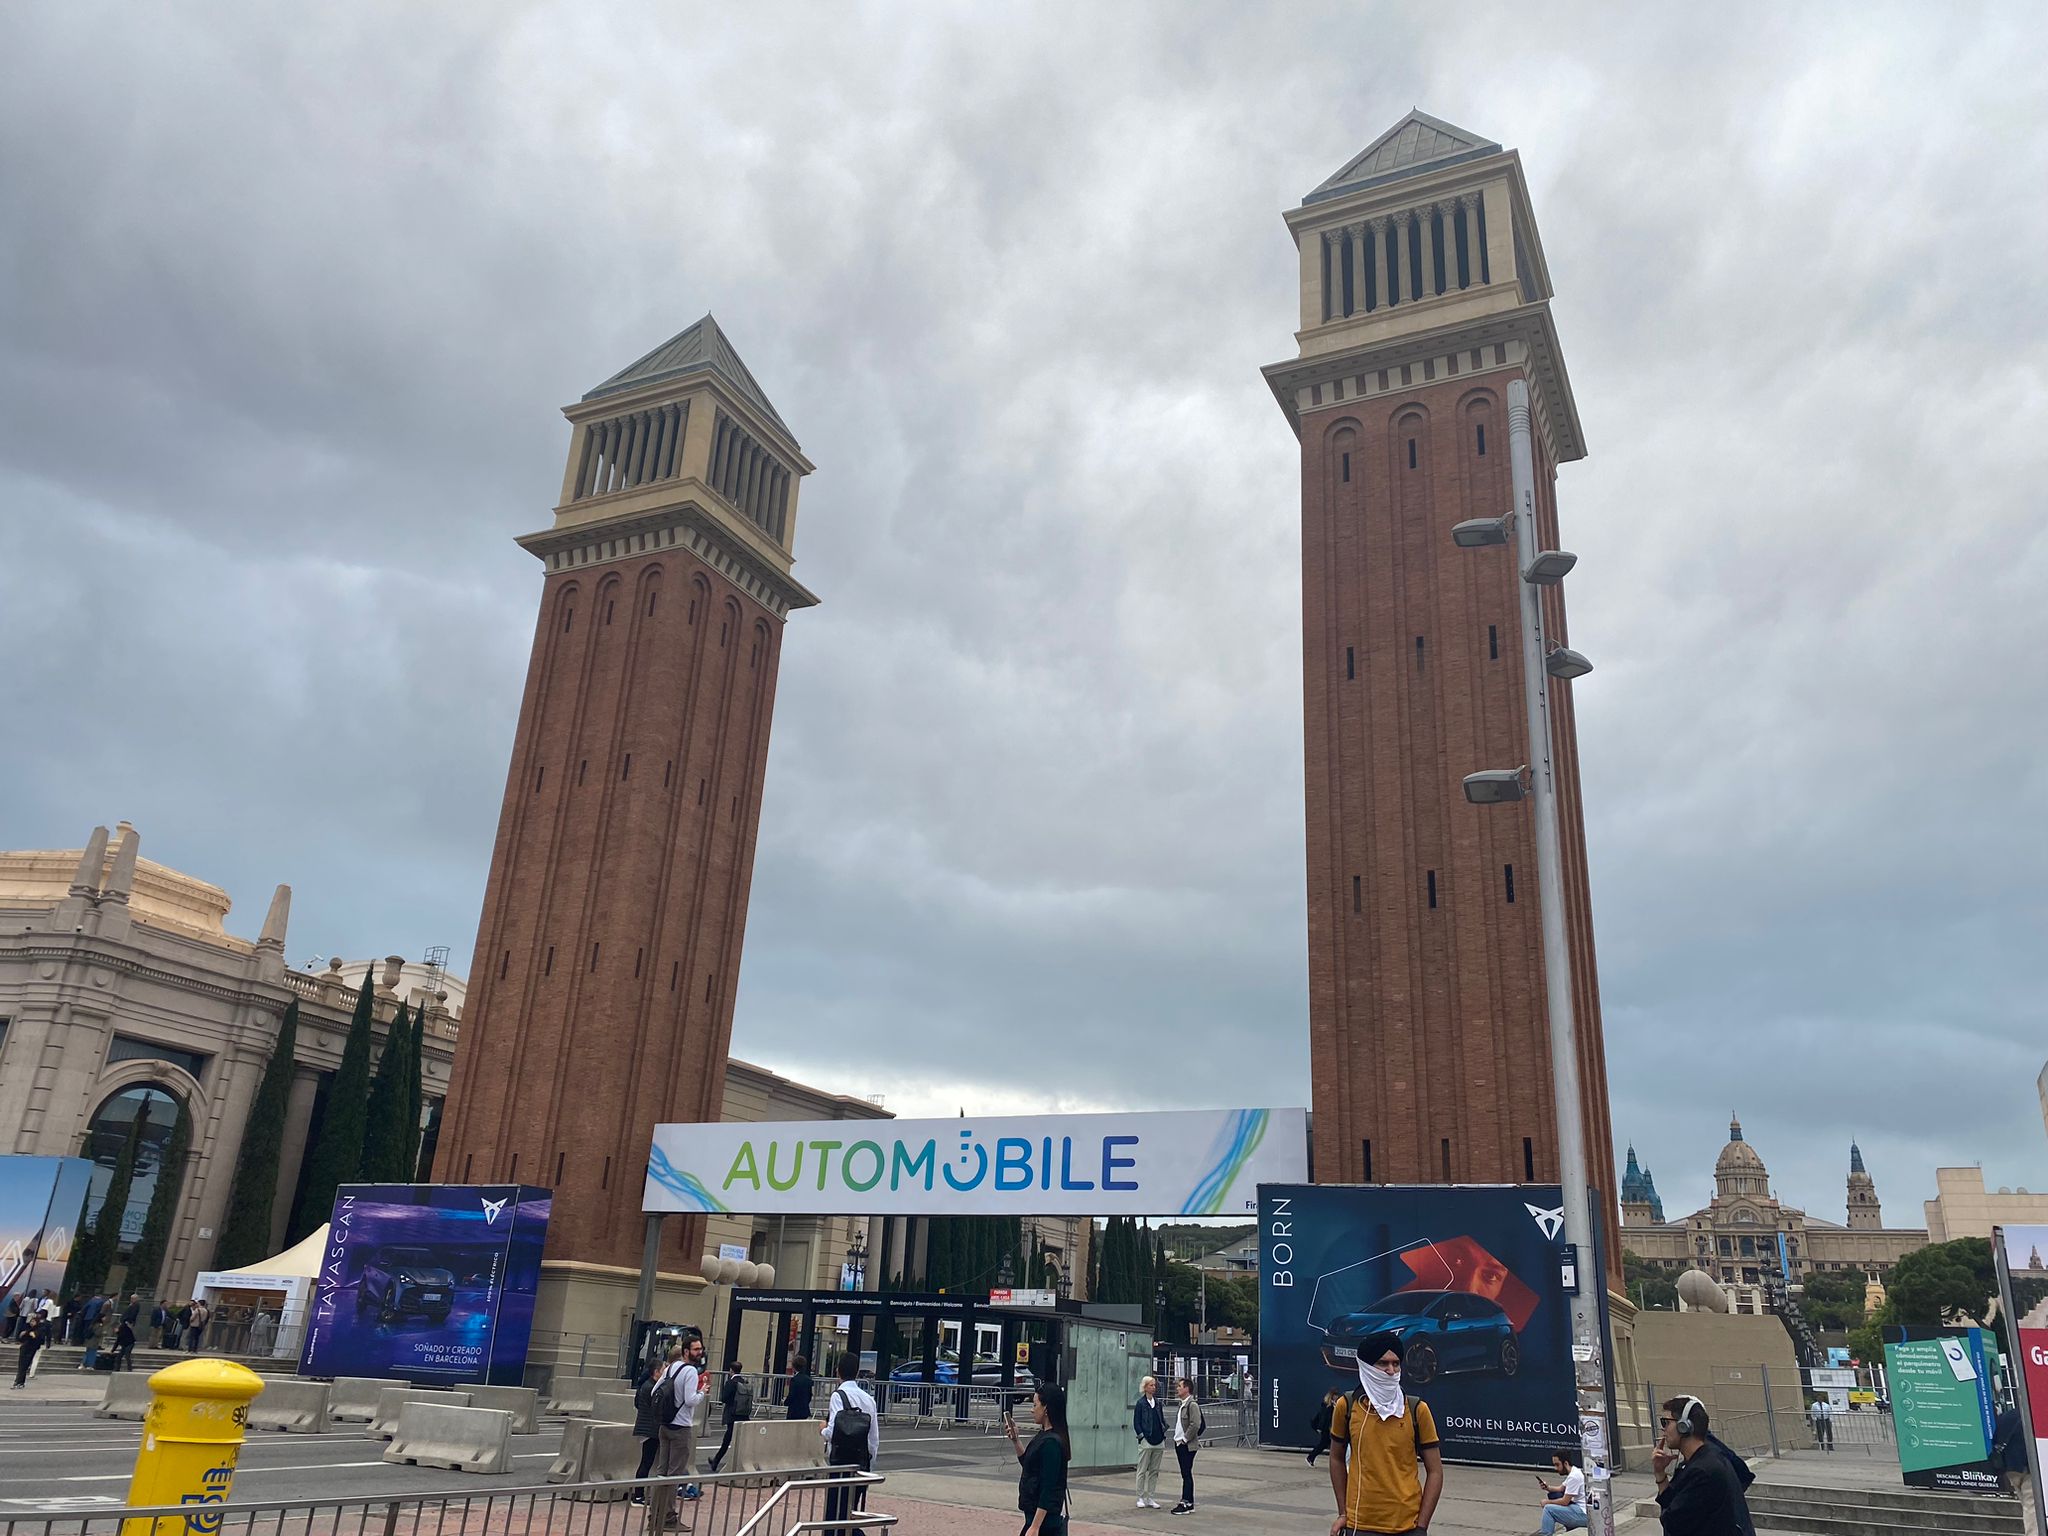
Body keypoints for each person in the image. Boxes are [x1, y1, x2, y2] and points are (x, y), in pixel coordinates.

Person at [1325, 1330, 1444, 1536]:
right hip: (1360, 1525)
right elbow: (1336, 1458)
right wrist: (1343, 1513)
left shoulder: (1417, 1410)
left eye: (1396, 1364)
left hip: (1406, 1526)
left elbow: (1435, 1471)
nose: (1391, 1370)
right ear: (1366, 1366)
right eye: (1383, 1363)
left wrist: (1421, 1526)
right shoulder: (1347, 1406)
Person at [1654, 1395, 1754, 1536]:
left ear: (1684, 1426)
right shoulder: (1702, 1460)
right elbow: (1670, 1503)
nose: (1662, 1429)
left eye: (1666, 1422)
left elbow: (1672, 1523)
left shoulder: (1702, 1471)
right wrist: (1660, 1473)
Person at [652, 1335, 707, 1529]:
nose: (700, 1352)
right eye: (696, 1349)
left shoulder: (671, 1368)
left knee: (661, 1473)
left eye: (700, 1349)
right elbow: (691, 1400)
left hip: (665, 1425)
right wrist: (702, 1392)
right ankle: (668, 1518)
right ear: (686, 1351)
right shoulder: (690, 1371)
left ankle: (654, 1516)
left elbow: (654, 1391)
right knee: (674, 1475)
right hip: (681, 1427)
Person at [822, 1353, 879, 1534]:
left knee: (834, 1515)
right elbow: (873, 1439)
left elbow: (833, 1431)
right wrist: (869, 1465)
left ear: (837, 1371)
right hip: (861, 1462)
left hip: (841, 1462)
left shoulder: (838, 1396)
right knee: (849, 1513)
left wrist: (822, 1430)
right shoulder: (868, 1399)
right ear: (857, 1372)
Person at [1005, 1382, 1070, 1536]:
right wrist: (1016, 1440)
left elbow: (1048, 1487)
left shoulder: (1052, 1443)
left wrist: (1035, 1526)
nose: (1032, 1409)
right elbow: (1029, 1465)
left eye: (1035, 1405)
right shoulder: (1044, 1436)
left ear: (1046, 1408)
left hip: (1044, 1523)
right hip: (1036, 1519)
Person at [1994, 1404, 2038, 1536]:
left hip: (2011, 1468)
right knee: (2033, 1506)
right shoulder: (2034, 1417)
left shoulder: (2007, 1417)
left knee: (2027, 1503)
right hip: (2029, 1468)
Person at [707, 1355, 754, 1472]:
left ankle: (716, 1462)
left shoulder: (731, 1383)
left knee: (727, 1440)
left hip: (732, 1415)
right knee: (740, 1441)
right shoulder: (745, 1382)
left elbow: (724, 1398)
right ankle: (716, 1460)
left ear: (731, 1370)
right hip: (744, 1415)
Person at [629, 1358, 663, 1505]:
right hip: (650, 1429)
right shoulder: (651, 1388)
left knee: (646, 1461)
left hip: (645, 1427)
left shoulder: (645, 1385)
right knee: (646, 1462)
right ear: (656, 1372)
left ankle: (639, 1494)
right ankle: (638, 1495)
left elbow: (638, 1404)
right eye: (662, 1371)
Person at [1133, 1373, 1167, 1508]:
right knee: (1142, 1470)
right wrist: (1141, 1437)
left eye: (1154, 1385)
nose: (1154, 1387)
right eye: (1151, 1385)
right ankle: (1140, 1496)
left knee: (1154, 1470)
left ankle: (1151, 1497)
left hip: (1158, 1439)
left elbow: (1161, 1418)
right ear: (1145, 1387)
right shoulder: (1140, 1404)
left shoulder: (1158, 1403)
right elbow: (1136, 1422)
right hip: (1146, 1440)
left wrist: (1163, 1432)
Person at [1170, 1376, 1204, 1515]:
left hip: (1186, 1445)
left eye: (1180, 1386)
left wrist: (1185, 1439)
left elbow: (1195, 1424)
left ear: (1187, 1389)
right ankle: (1189, 1502)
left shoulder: (1192, 1405)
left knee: (1186, 1473)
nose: (1177, 1388)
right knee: (1185, 1473)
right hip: (1179, 1443)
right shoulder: (1183, 1404)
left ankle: (1185, 1502)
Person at [1536, 1447, 1589, 1534]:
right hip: (1578, 1508)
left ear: (1565, 1463)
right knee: (1553, 1494)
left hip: (1584, 1515)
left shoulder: (1574, 1477)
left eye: (1557, 1465)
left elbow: (1564, 1501)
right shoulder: (1574, 1471)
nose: (1556, 1468)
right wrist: (1547, 1487)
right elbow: (1560, 1488)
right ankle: (1569, 1528)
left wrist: (1547, 1502)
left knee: (1548, 1509)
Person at [1306, 1386, 1342, 1467]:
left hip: (1329, 1428)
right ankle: (1310, 1457)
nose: (1337, 1397)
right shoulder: (1327, 1406)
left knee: (1325, 1444)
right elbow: (1323, 1418)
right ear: (1332, 1396)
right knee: (1323, 1444)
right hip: (1326, 1429)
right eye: (1335, 1395)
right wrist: (1320, 1428)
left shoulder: (1333, 1405)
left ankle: (1311, 1457)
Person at [11, 1312, 44, 1388]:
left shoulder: (39, 1329)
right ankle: (19, 1382)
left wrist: (32, 1334)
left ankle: (19, 1381)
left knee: (24, 1366)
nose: (32, 1323)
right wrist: (24, 1334)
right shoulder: (27, 1329)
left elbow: (38, 1338)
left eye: (33, 1321)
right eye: (31, 1321)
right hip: (24, 1349)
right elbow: (21, 1338)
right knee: (21, 1366)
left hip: (31, 1350)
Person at [786, 1353, 814, 1420]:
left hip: (794, 1410)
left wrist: (786, 1402)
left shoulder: (794, 1380)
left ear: (794, 1367)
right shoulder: (808, 1380)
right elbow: (810, 1395)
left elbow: (791, 1395)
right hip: (804, 1410)